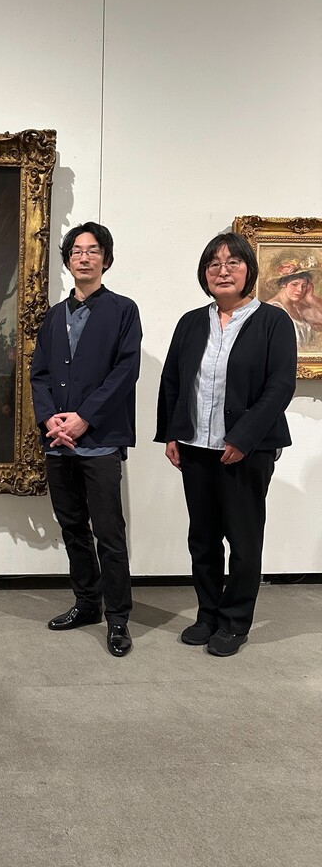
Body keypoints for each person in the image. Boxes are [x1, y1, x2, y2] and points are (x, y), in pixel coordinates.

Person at [155, 232, 297, 656]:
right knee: (202, 538)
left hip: (246, 451)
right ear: (204, 274)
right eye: (213, 264)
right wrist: (172, 432)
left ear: (249, 270)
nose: (223, 270)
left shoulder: (273, 322)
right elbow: (173, 381)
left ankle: (235, 622)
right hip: (195, 446)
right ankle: (208, 615)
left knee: (243, 539)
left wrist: (242, 438)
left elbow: (280, 387)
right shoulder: (190, 322)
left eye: (233, 262)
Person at [30, 222, 142, 657]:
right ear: (67, 260)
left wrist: (83, 419)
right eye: (76, 251)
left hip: (100, 440)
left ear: (106, 260)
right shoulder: (54, 316)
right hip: (58, 441)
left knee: (109, 532)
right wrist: (50, 420)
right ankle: (86, 603)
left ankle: (118, 619)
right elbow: (39, 374)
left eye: (93, 250)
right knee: (73, 527)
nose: (84, 257)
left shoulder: (123, 310)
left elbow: (124, 372)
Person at [265, 260, 322, 350]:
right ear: (284, 284)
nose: (300, 290)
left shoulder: (298, 307)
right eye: (295, 284)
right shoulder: (272, 310)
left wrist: (311, 299)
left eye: (304, 286)